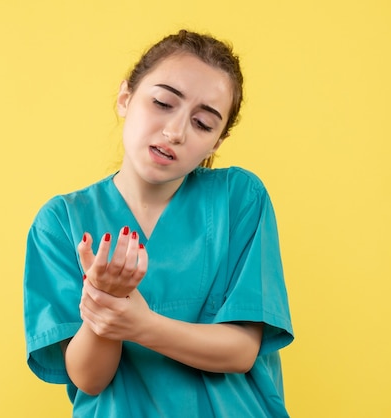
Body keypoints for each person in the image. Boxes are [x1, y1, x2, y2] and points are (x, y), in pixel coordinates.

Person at [23, 29, 294, 417]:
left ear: (216, 142)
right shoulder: (61, 222)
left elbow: (241, 350)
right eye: (163, 102)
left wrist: (137, 324)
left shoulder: (239, 198)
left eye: (202, 123)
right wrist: (105, 302)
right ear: (125, 98)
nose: (175, 132)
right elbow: (89, 378)